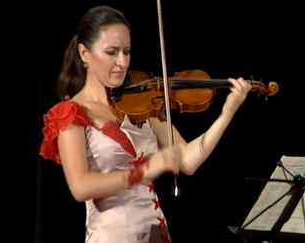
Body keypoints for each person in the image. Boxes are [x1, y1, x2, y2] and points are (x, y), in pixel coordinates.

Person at [39, 5, 251, 243]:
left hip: (156, 234)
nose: (122, 62)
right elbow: (80, 186)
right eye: (111, 52)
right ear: (84, 53)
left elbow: (187, 161)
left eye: (126, 51)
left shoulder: (141, 104)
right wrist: (145, 171)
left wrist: (227, 113)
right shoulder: (71, 113)